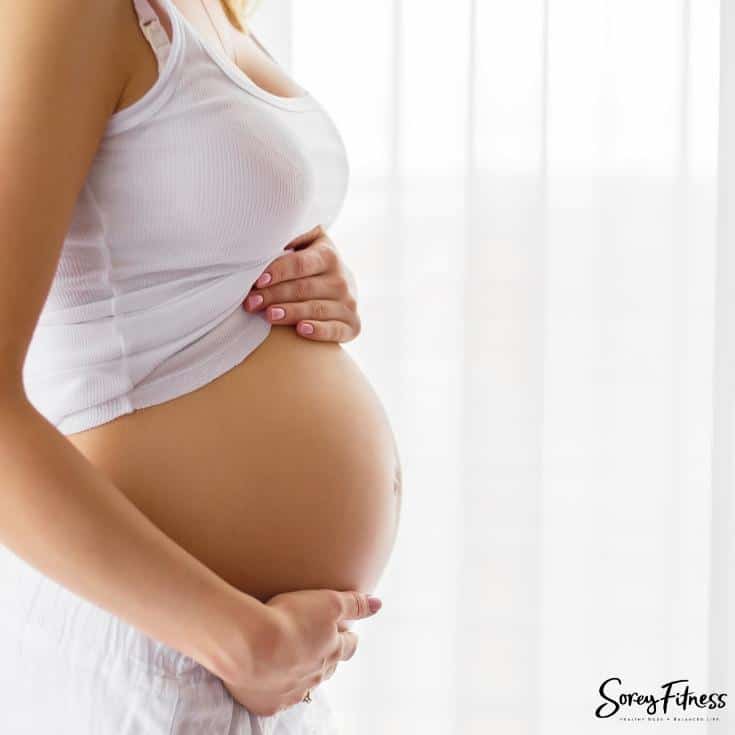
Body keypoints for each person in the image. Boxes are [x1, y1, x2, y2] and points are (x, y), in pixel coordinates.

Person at [0, 0, 402, 732]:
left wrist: (314, 276)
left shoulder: (211, 8)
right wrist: (241, 640)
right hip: (153, 649)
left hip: (237, 661)